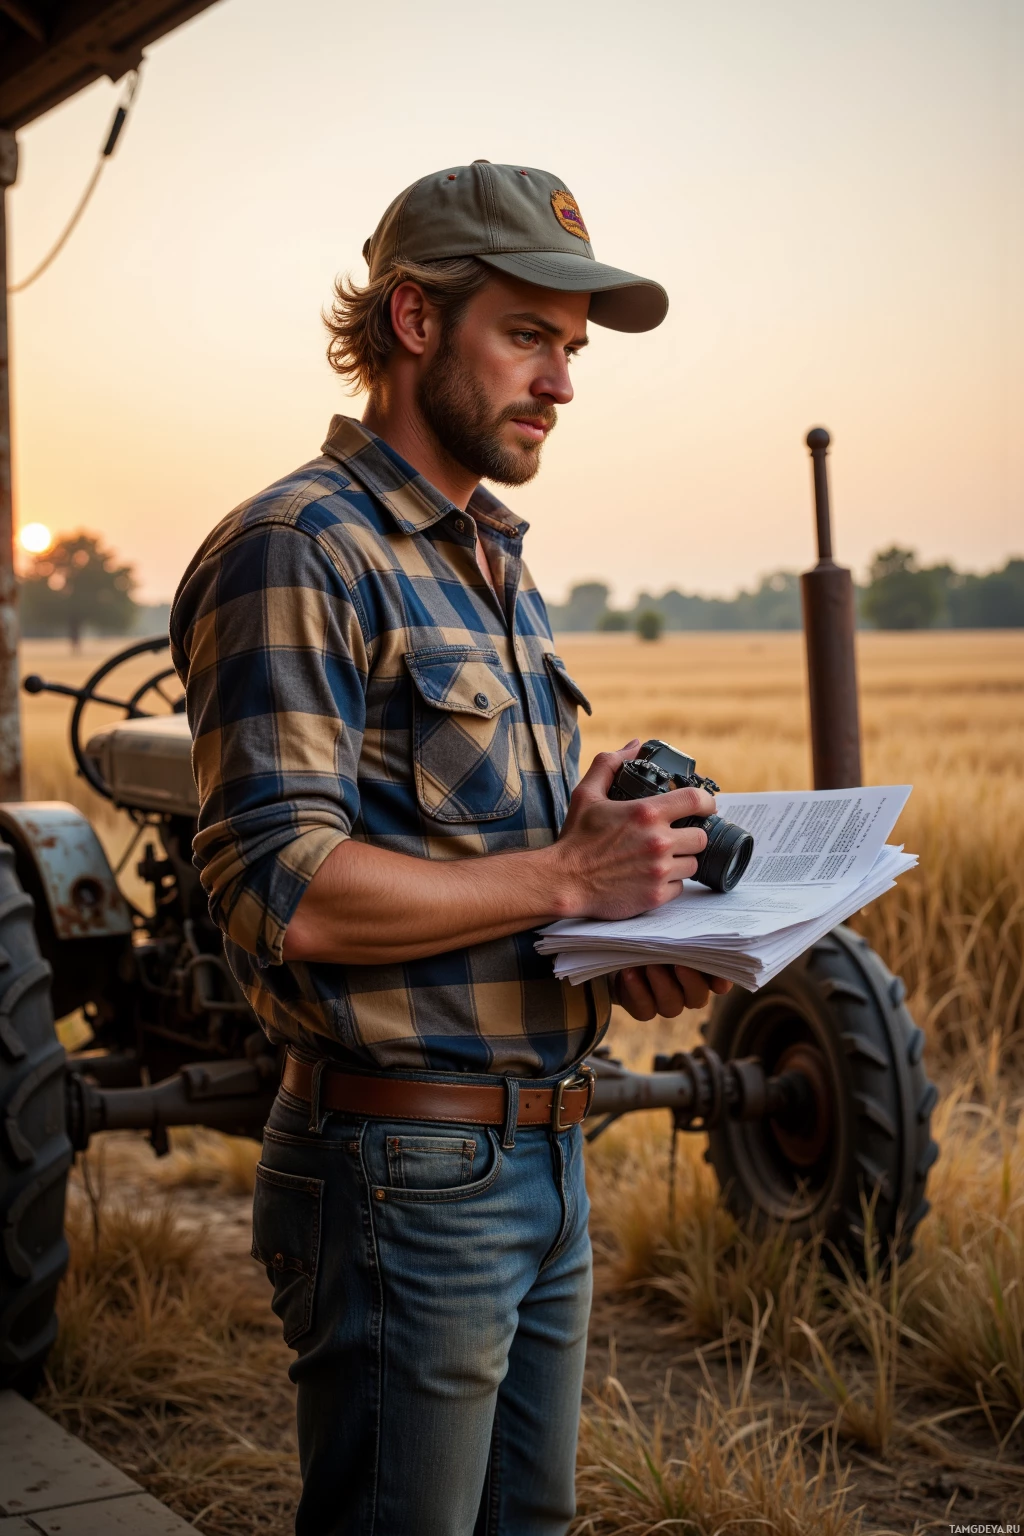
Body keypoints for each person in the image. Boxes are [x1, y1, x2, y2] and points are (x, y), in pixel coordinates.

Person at [170, 160, 730, 1536]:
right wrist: (566, 878)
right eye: (529, 338)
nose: (563, 383)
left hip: (545, 1151)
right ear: (415, 324)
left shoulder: (488, 557)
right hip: (403, 1174)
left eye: (573, 349)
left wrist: (622, 937)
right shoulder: (302, 548)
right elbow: (275, 889)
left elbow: (495, 869)